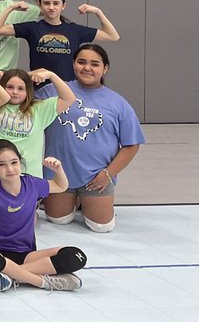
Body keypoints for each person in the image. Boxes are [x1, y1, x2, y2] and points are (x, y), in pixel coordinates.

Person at [0, 140, 88, 292]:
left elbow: (61, 186)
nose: (10, 169)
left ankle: (10, 274)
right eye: (2, 164)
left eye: (14, 162)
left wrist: (58, 169)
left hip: (26, 254)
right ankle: (42, 282)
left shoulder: (32, 184)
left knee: (76, 256)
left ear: (20, 162)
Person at [43, 44, 144, 232]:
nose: (87, 68)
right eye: (81, 62)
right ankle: (75, 200)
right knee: (59, 220)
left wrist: (107, 174)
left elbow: (132, 144)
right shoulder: (52, 91)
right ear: (73, 64)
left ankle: (85, 199)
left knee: (101, 227)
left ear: (105, 68)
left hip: (95, 177)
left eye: (95, 64)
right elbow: (21, 104)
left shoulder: (118, 103)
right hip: (58, 175)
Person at [0, 0, 120, 84]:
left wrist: (98, 12)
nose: (51, 7)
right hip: (39, 88)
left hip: (68, 88)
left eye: (56, 3)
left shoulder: (75, 30)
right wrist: (10, 8)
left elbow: (112, 36)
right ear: (40, 5)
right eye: (46, 3)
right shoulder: (32, 27)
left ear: (64, 6)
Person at [0, 68, 76, 172]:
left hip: (27, 175)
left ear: (28, 91)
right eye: (9, 87)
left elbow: (69, 98)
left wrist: (51, 75)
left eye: (21, 88)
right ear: (1, 87)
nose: (15, 92)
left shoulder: (39, 109)